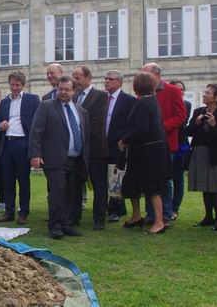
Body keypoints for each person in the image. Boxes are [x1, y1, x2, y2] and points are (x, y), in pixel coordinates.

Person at [29, 76, 89, 239]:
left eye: (66, 89)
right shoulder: (46, 106)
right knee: (58, 192)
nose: (62, 92)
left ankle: (67, 224)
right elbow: (36, 132)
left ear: (74, 91)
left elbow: (84, 135)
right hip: (54, 159)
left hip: (76, 160)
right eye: (60, 89)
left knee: (72, 193)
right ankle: (54, 226)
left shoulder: (81, 111)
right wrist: (35, 154)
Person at [118, 72, 171, 235]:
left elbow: (141, 129)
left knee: (153, 188)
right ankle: (136, 216)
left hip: (149, 154)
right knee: (131, 183)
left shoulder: (143, 103)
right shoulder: (151, 101)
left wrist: (124, 140)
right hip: (145, 152)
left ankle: (159, 222)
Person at [141, 63, 187, 225]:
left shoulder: (172, 90)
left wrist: (161, 127)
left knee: (165, 179)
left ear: (156, 74)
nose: (142, 76)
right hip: (147, 144)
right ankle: (151, 214)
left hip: (166, 142)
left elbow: (181, 115)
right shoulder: (143, 92)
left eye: (145, 73)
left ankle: (166, 214)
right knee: (148, 178)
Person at [0, 71, 40, 224]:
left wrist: (35, 149)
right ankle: (9, 211)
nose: (14, 88)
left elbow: (38, 124)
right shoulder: (5, 102)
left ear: (23, 85)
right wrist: (0, 125)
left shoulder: (32, 100)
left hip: (23, 144)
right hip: (7, 144)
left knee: (23, 180)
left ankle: (23, 212)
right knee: (7, 180)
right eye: (12, 85)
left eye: (17, 85)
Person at [187, 84, 217, 231]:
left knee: (216, 187)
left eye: (208, 93)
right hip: (199, 153)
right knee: (205, 187)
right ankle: (208, 217)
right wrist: (196, 123)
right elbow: (188, 132)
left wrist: (213, 125)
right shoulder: (198, 112)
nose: (204, 94)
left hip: (215, 155)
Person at [72, 66, 109, 230]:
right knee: (76, 183)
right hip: (77, 150)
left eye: (78, 77)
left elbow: (97, 123)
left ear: (88, 78)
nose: (75, 80)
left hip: (95, 149)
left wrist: (81, 138)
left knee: (99, 185)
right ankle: (74, 216)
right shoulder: (73, 97)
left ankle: (99, 219)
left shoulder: (100, 96)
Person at [104, 70, 136, 223]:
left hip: (118, 144)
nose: (107, 81)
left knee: (115, 176)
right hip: (102, 144)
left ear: (120, 82)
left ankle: (115, 209)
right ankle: (107, 206)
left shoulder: (128, 100)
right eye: (106, 79)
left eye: (110, 79)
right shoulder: (102, 99)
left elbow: (131, 123)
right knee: (104, 177)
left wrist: (124, 140)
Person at [167, 80, 193, 220]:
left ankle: (175, 208)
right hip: (167, 144)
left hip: (180, 144)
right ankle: (166, 207)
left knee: (178, 177)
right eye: (177, 89)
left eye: (182, 89)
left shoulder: (186, 104)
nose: (180, 92)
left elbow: (181, 121)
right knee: (167, 178)